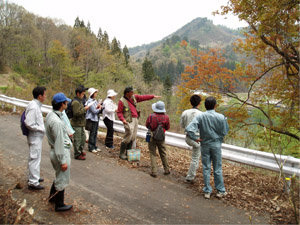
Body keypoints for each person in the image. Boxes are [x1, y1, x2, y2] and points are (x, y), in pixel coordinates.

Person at [185, 96, 229, 199]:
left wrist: (195, 138)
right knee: (217, 168)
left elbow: (189, 129)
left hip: (204, 144)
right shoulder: (221, 117)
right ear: (215, 105)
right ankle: (220, 190)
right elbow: (225, 131)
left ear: (205, 105)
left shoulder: (200, 116)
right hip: (216, 145)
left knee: (206, 168)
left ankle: (207, 191)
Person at [45, 93, 73, 212]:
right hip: (60, 153)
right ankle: (59, 204)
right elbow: (59, 143)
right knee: (62, 179)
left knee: (59, 176)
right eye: (66, 102)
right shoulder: (57, 122)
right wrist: (63, 161)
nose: (67, 103)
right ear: (62, 104)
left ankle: (52, 198)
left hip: (55, 151)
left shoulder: (51, 115)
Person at [117, 86, 160, 160]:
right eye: (131, 92)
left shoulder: (134, 97)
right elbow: (119, 112)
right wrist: (123, 120)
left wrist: (152, 96)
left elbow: (143, 97)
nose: (133, 93)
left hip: (135, 119)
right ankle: (121, 153)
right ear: (127, 93)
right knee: (128, 135)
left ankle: (128, 153)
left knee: (133, 136)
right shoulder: (122, 101)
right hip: (128, 120)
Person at [25, 86, 47, 190]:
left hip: (36, 136)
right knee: (34, 158)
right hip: (35, 136)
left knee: (35, 158)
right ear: (40, 96)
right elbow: (29, 123)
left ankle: (34, 177)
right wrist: (40, 129)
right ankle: (33, 182)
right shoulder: (34, 107)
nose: (45, 96)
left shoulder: (35, 105)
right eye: (44, 94)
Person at [180, 95, 202, 184]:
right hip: (197, 139)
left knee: (194, 157)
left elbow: (182, 125)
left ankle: (190, 176)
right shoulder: (202, 114)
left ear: (190, 102)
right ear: (199, 103)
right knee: (195, 158)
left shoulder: (185, 112)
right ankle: (190, 177)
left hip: (188, 138)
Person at [145, 101, 170, 177]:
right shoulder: (166, 117)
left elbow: (147, 125)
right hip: (161, 137)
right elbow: (167, 127)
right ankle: (167, 169)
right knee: (163, 153)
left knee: (152, 153)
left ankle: (154, 171)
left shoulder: (151, 116)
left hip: (152, 136)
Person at [70, 86, 90, 160]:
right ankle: (77, 153)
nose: (83, 96)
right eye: (82, 94)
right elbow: (76, 113)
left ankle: (80, 150)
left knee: (83, 138)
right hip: (76, 123)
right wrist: (85, 109)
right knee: (77, 139)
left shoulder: (80, 101)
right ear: (78, 94)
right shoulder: (75, 102)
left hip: (81, 123)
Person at [85, 88, 102, 153]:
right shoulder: (90, 101)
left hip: (95, 119)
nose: (96, 94)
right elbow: (94, 111)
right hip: (92, 119)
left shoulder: (94, 101)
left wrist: (98, 107)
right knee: (92, 133)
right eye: (95, 93)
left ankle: (94, 145)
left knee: (95, 133)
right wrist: (99, 108)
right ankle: (91, 147)